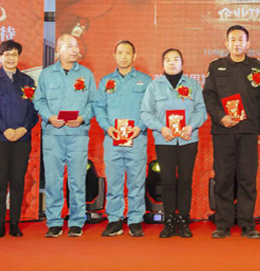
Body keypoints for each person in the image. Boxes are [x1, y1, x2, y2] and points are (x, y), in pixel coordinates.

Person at [203, 25, 260, 239]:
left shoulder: (257, 67)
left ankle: (247, 223)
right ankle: (223, 223)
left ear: (248, 44)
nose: (236, 43)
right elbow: (209, 96)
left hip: (249, 131)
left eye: (241, 39)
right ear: (226, 43)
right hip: (223, 131)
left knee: (247, 178)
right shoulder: (216, 67)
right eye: (232, 39)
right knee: (223, 177)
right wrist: (221, 117)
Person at [34, 34, 97, 238]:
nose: (74, 49)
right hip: (53, 134)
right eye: (70, 46)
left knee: (77, 179)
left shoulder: (86, 74)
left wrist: (82, 118)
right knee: (53, 179)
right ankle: (54, 221)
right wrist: (49, 116)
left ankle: (77, 220)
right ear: (58, 50)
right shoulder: (47, 74)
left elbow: (93, 102)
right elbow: (39, 101)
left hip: (78, 133)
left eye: (76, 46)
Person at [141, 48, 207, 238]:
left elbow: (201, 111)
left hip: (188, 139)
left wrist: (191, 126)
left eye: (176, 59)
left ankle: (184, 220)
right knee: (168, 181)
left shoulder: (193, 85)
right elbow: (145, 113)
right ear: (162, 64)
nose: (172, 63)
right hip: (165, 140)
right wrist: (161, 128)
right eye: (168, 60)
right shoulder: (154, 86)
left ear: (182, 63)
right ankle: (169, 221)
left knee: (185, 181)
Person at [94, 41, 152, 237]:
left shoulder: (145, 81)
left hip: (137, 138)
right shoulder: (106, 81)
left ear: (134, 56)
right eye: (120, 53)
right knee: (114, 181)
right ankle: (114, 220)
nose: (123, 56)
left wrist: (139, 127)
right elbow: (99, 107)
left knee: (136, 181)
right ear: (114, 55)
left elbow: (150, 108)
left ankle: (135, 220)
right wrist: (107, 127)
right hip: (113, 139)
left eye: (127, 53)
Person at [0, 40, 38, 237]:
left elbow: (33, 111)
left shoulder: (27, 82)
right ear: (1, 57)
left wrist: (23, 129)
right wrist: (4, 129)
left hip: (22, 140)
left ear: (18, 57)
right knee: (0, 182)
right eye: (7, 54)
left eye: (14, 54)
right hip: (1, 138)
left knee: (17, 181)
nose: (11, 58)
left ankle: (14, 223)